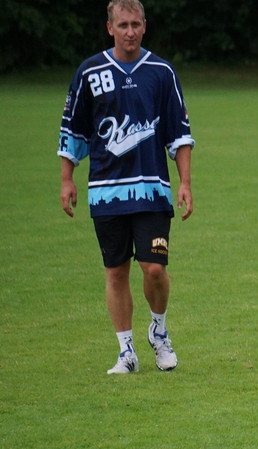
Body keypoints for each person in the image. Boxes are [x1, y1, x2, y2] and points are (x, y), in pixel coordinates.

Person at [59, 0, 194, 375]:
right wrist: (67, 179)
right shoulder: (90, 72)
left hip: (152, 191)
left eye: (136, 24)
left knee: (154, 268)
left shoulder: (161, 72)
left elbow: (180, 135)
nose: (130, 32)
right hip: (106, 191)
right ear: (109, 28)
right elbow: (73, 129)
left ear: (145, 27)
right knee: (116, 272)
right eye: (123, 25)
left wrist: (185, 183)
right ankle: (126, 352)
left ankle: (159, 331)